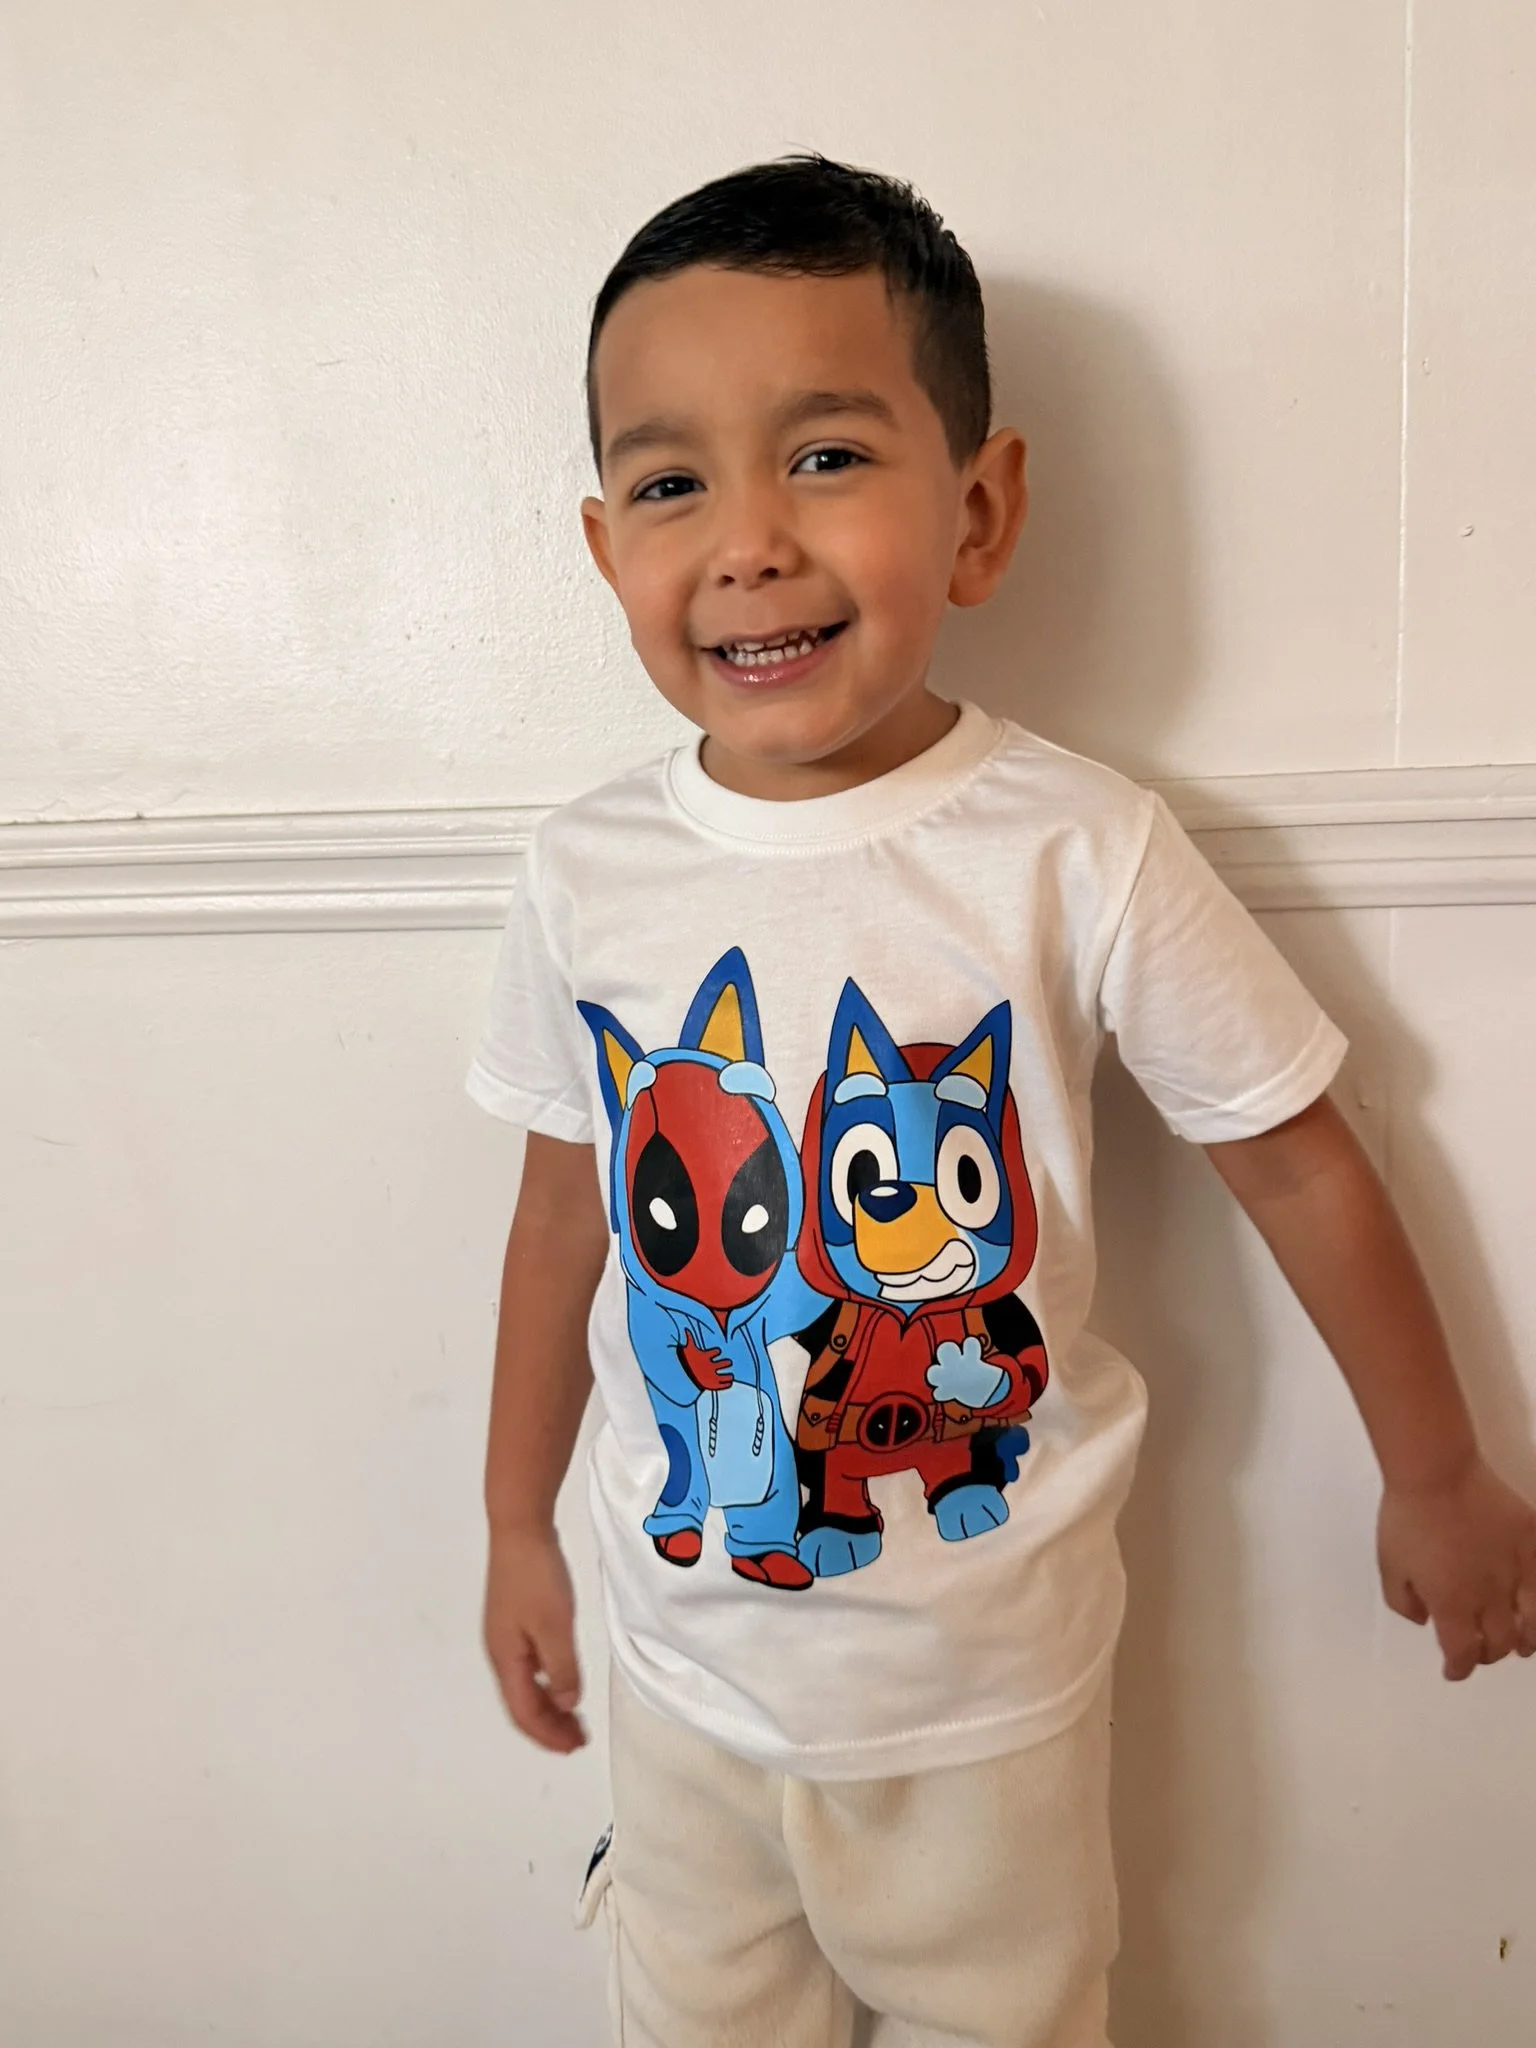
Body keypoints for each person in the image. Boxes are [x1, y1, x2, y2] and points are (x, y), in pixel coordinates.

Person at [464, 153, 1536, 2048]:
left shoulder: (1075, 845)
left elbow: (1294, 1161)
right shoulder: (586, 872)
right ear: (602, 543)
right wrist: (511, 1523)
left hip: (987, 1697)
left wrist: (1436, 1469)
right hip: (681, 1664)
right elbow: (567, 1211)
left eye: (824, 455)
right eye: (670, 480)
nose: (747, 541)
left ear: (979, 512)